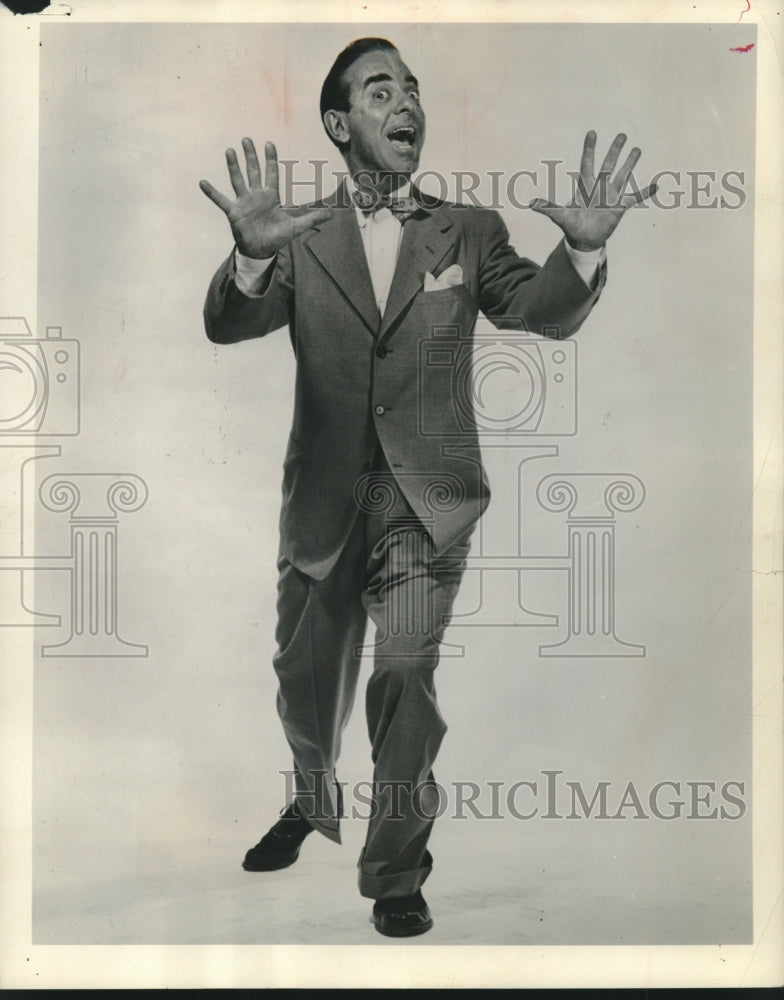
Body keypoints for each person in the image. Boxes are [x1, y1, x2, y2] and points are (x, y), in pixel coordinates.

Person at [199, 36, 655, 938]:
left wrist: (584, 255)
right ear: (340, 124)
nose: (407, 102)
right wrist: (249, 261)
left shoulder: (467, 231)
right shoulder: (298, 233)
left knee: (405, 670)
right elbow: (227, 324)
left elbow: (541, 311)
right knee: (305, 683)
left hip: (425, 507)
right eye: (381, 90)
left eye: (413, 88)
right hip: (323, 508)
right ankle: (309, 796)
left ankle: (396, 869)